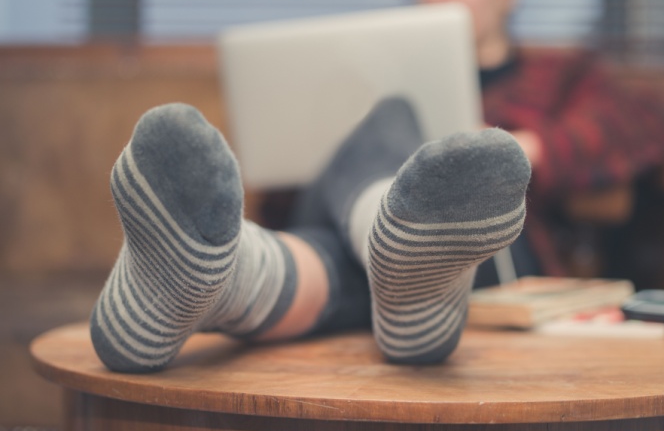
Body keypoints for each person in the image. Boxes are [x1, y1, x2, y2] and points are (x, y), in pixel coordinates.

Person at [89, 99, 531, 372]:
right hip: (341, 221)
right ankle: (409, 277)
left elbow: (597, 143)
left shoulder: (558, 77)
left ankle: (226, 279)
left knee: (393, 113)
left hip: (505, 267)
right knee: (387, 129)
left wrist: (534, 143)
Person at [414, 0, 664, 280]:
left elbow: (642, 120)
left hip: (508, 254)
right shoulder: (410, 89)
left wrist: (523, 147)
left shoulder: (558, 77)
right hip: (411, 237)